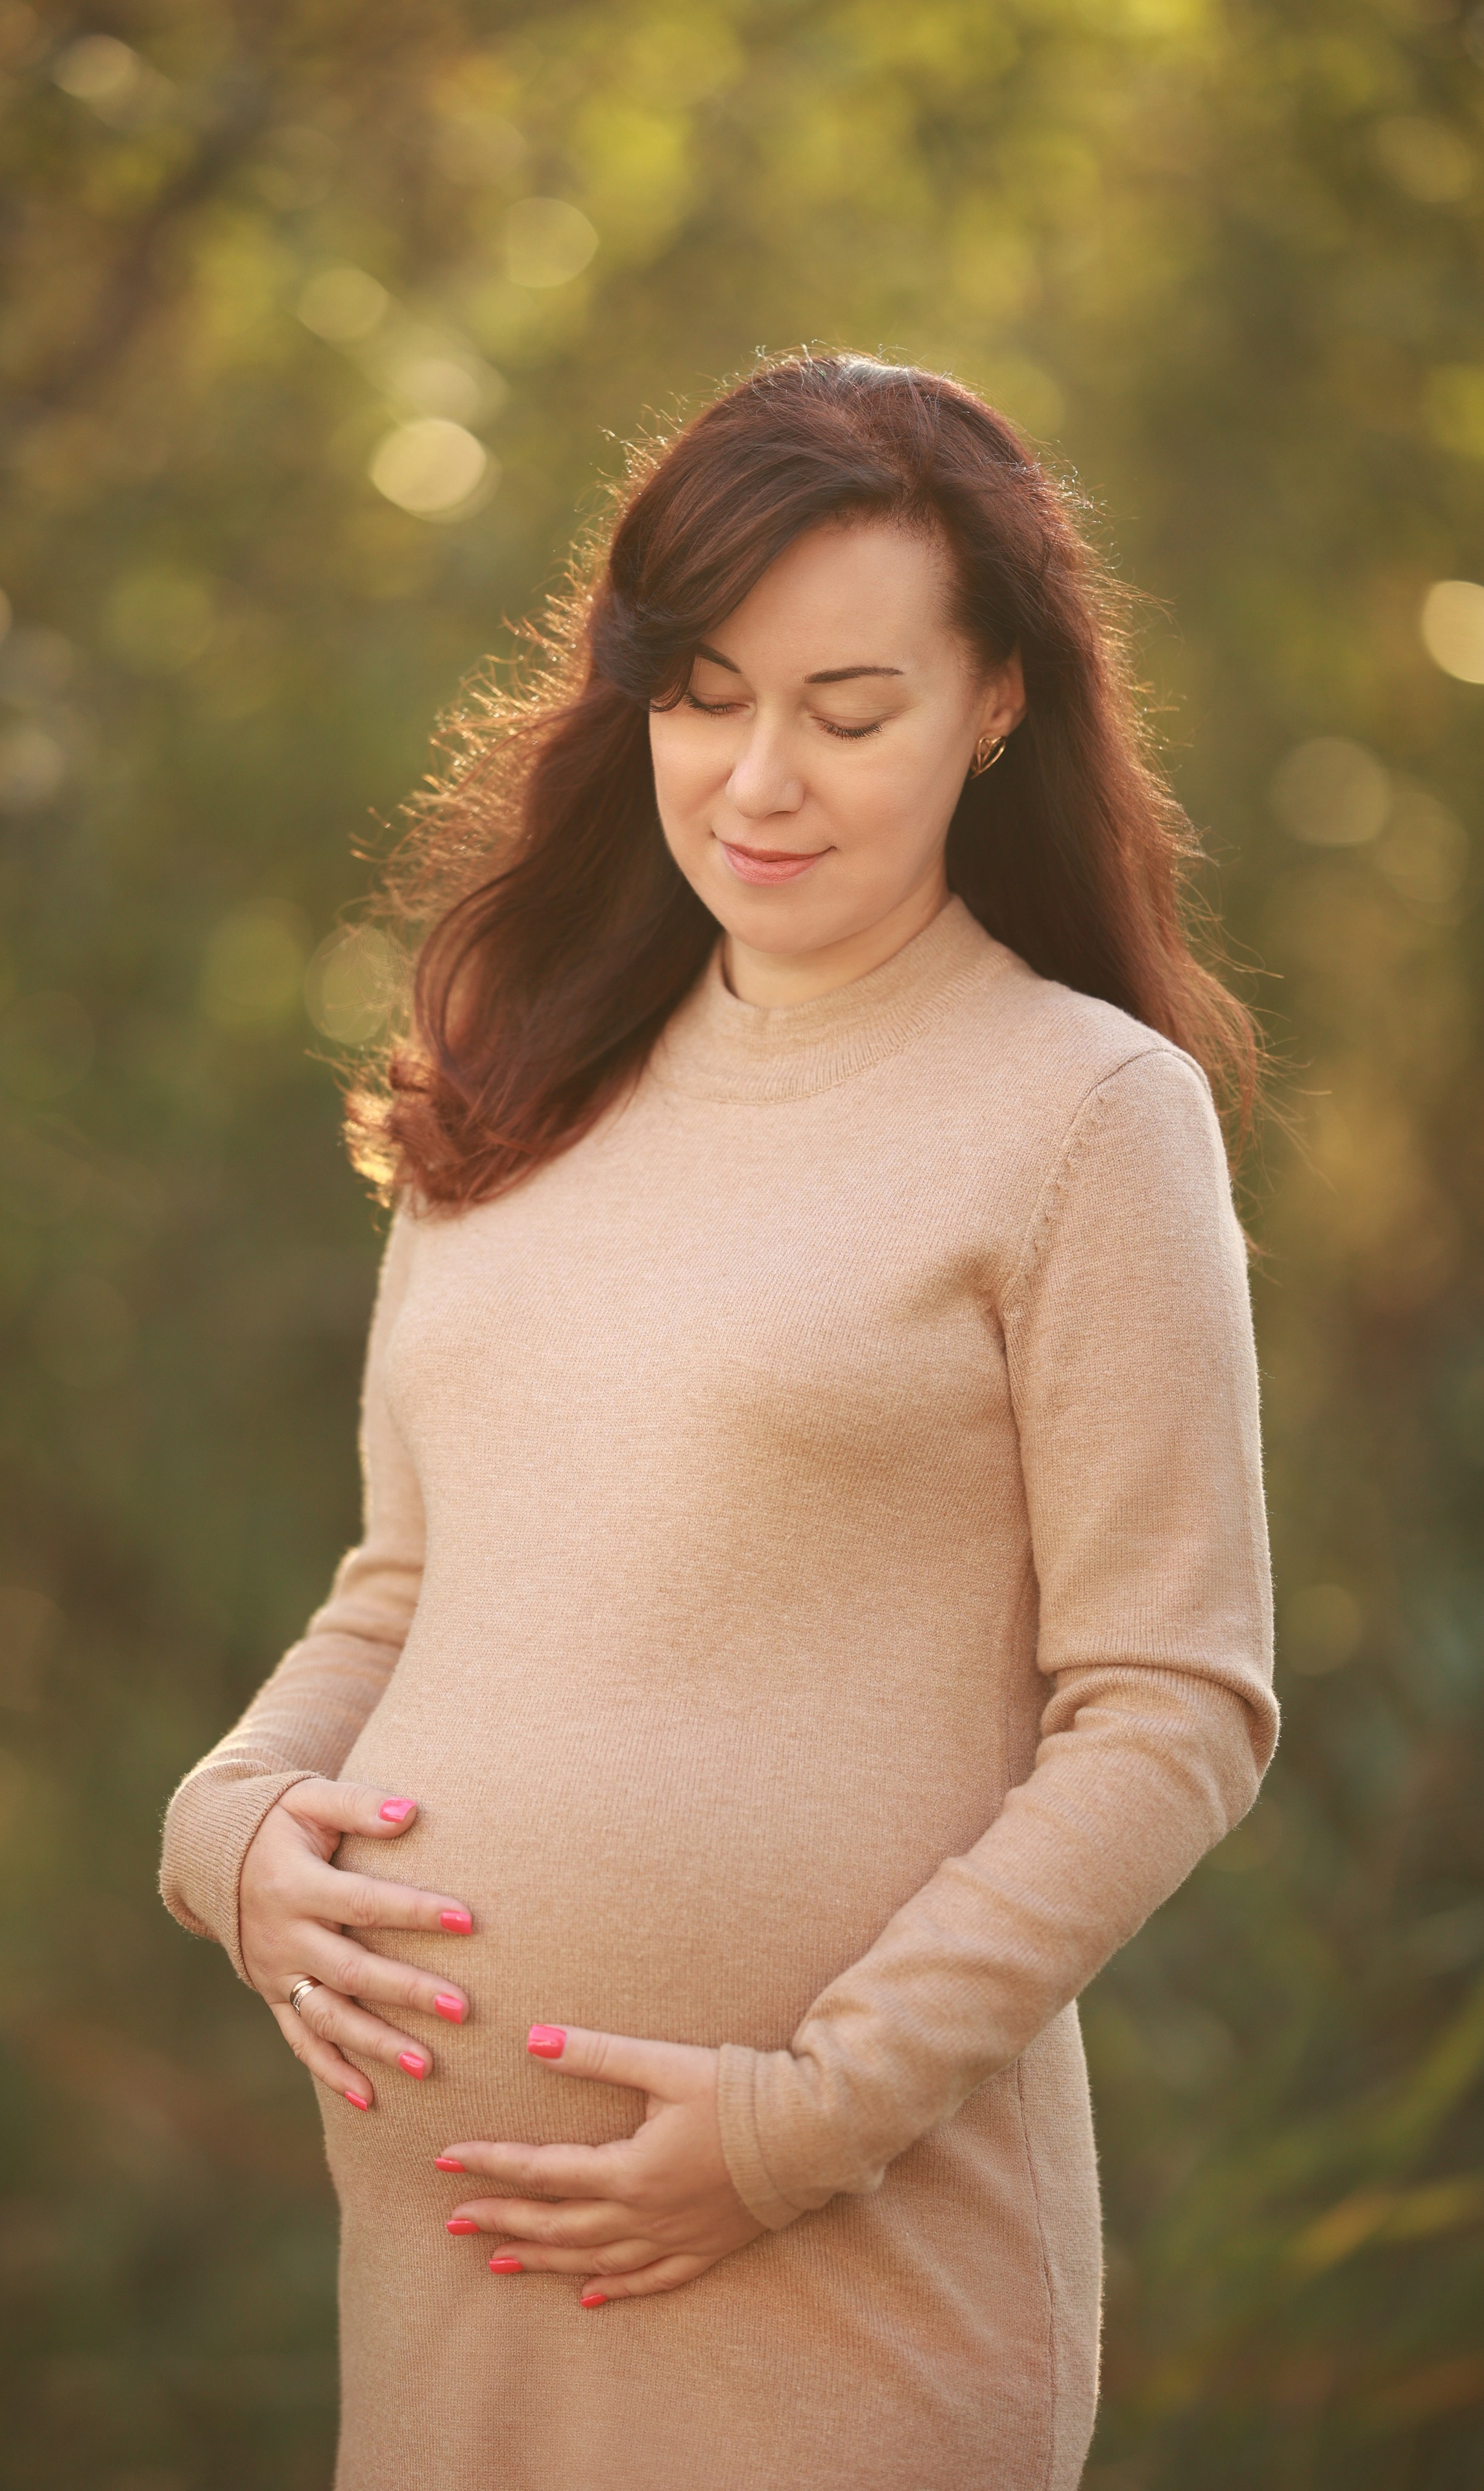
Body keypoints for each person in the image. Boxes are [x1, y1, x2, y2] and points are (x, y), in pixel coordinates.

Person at [160, 354, 1276, 2491]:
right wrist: (226, 1829)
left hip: (838, 2274)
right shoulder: (518, 1076)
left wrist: (803, 2121)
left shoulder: (1083, 1117)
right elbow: (404, 1589)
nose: (761, 779)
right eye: (704, 696)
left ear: (998, 702)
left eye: (849, 713)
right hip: (448, 2283)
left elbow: (1175, 1709)